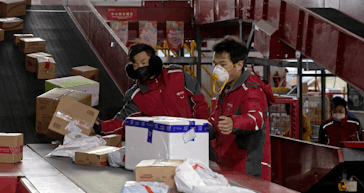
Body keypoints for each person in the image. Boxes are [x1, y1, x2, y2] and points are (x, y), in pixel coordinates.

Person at [93, 43, 210, 137]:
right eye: (136, 64)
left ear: (154, 60)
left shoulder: (178, 75)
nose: (140, 67)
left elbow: (199, 103)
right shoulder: (136, 95)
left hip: (191, 138)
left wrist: (203, 129)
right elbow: (122, 123)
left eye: (143, 62)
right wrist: (100, 126)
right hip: (162, 147)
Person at [208, 35, 275, 181]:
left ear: (238, 64)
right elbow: (215, 119)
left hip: (247, 168)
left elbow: (256, 118)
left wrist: (234, 123)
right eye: (215, 64)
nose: (217, 70)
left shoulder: (251, 90)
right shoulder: (227, 89)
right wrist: (200, 128)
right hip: (226, 164)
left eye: (223, 65)